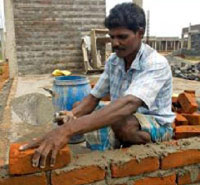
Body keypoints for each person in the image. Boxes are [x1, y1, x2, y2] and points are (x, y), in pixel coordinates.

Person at [20, 2, 175, 168]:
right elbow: (94, 98)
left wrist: (67, 130)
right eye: (112, 37)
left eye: (122, 37)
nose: (115, 43)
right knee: (81, 107)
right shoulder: (114, 61)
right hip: (124, 116)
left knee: (122, 123)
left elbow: (129, 104)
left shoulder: (155, 63)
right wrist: (72, 115)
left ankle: (140, 158)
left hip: (156, 126)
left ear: (140, 33)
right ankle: (100, 163)